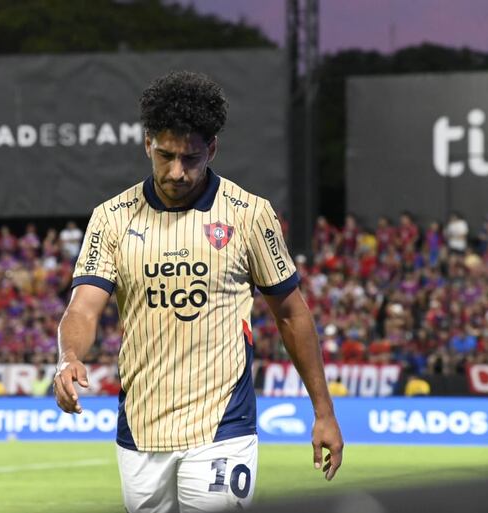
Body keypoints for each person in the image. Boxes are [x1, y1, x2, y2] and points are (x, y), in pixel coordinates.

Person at [54, 70, 343, 513]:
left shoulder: (249, 215)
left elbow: (291, 313)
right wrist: (69, 357)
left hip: (222, 426)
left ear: (212, 148)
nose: (177, 172)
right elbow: (84, 308)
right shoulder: (111, 218)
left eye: (190, 158)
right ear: (146, 143)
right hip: (141, 429)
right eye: (165, 155)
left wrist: (323, 410)